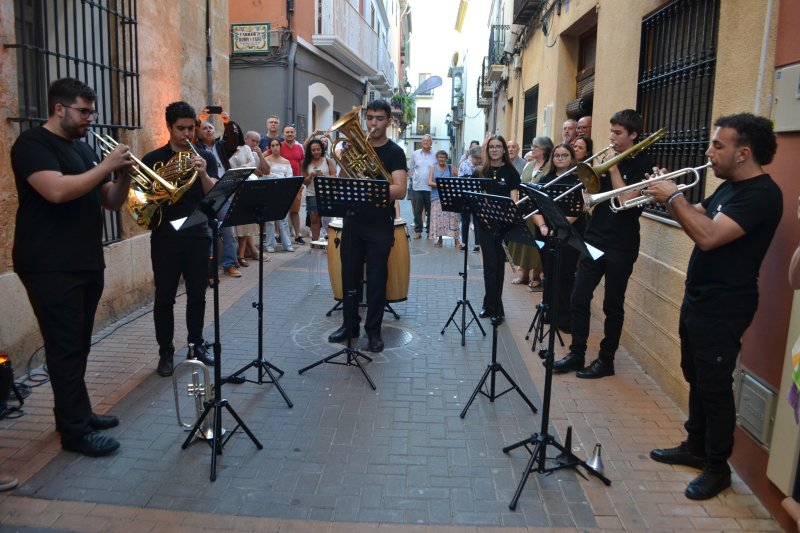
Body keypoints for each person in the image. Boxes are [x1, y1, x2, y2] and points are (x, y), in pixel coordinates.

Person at [644, 113, 781, 500]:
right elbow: (698, 215)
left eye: (718, 145)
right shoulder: (728, 187)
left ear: (744, 153)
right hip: (700, 297)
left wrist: (673, 195)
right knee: (697, 374)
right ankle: (696, 446)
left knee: (716, 386)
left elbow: (707, 237)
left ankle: (718, 468)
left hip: (726, 304)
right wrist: (660, 192)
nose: (709, 152)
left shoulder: (761, 194)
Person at [11, 77, 135, 456]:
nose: (90, 119)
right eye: (83, 111)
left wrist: (124, 174)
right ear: (59, 108)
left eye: (91, 111)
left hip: (83, 259)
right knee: (64, 347)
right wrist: (107, 165)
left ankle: (74, 413)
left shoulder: (82, 150)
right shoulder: (33, 144)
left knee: (77, 344)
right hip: (48, 262)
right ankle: (75, 433)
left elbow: (111, 201)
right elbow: (58, 190)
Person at [552, 109, 656, 378]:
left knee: (612, 305)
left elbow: (623, 201)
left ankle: (606, 360)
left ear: (633, 135)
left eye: (618, 133)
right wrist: (590, 186)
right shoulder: (607, 159)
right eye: (611, 132)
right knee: (579, 296)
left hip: (622, 244)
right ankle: (577, 353)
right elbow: (594, 193)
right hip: (596, 237)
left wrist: (615, 165)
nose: (612, 138)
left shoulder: (645, 162)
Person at [143, 101, 219, 377]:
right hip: (165, 237)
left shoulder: (205, 157)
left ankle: (196, 344)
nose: (187, 134)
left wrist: (202, 172)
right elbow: (145, 199)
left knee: (197, 295)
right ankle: (165, 352)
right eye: (181, 129)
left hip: (198, 234)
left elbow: (214, 196)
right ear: (169, 127)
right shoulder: (153, 159)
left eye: (191, 128)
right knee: (164, 298)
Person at [327, 100, 408, 352]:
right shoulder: (355, 147)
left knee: (375, 279)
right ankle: (349, 325)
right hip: (353, 221)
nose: (374, 123)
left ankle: (373, 331)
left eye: (379, 118)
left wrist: (370, 185)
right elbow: (341, 183)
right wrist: (345, 163)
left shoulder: (395, 152)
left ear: (388, 121)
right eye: (370, 118)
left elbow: (400, 190)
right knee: (348, 276)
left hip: (379, 224)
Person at [530, 143, 586, 332]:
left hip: (568, 233)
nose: (560, 158)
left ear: (572, 158)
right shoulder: (545, 180)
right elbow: (534, 207)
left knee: (566, 274)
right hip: (546, 233)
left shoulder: (577, 180)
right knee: (549, 272)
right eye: (557, 155)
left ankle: (563, 317)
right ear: (552, 159)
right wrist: (543, 225)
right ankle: (548, 311)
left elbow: (577, 209)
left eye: (565, 155)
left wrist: (559, 227)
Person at [473, 135, 521, 323]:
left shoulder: (511, 172)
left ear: (503, 150)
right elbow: (475, 197)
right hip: (484, 223)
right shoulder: (480, 171)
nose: (494, 150)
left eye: (498, 147)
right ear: (488, 149)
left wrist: (508, 217)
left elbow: (514, 199)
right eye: (491, 147)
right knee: (489, 266)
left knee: (499, 267)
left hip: (503, 225)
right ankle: (488, 303)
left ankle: (497, 308)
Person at [198, 120, 240, 277]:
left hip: (223, 193)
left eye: (211, 128)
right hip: (206, 195)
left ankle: (229, 264)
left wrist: (228, 123)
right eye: (204, 128)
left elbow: (235, 140)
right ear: (198, 132)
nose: (208, 130)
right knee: (207, 233)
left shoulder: (221, 146)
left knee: (228, 230)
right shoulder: (197, 149)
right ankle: (209, 269)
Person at [509, 136, 552, 289]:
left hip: (539, 210)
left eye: (535, 146)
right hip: (525, 207)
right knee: (524, 243)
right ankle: (524, 274)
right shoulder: (529, 165)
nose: (532, 149)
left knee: (536, 243)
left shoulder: (549, 166)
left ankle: (536, 276)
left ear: (545, 149)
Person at [264, 138, 295, 252]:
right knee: (270, 221)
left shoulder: (286, 161)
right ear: (270, 148)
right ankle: (270, 245)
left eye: (277, 145)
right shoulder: (266, 160)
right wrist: (280, 177)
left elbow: (290, 177)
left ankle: (287, 244)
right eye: (272, 145)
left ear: (280, 147)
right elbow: (266, 175)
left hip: (283, 192)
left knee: (283, 220)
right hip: (270, 192)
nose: (275, 147)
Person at [302, 138, 335, 241]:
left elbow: (334, 176)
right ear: (310, 151)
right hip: (312, 193)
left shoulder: (328, 161)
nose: (316, 152)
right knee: (314, 219)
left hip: (327, 193)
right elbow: (304, 182)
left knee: (328, 220)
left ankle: (330, 243)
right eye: (313, 150)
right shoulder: (306, 163)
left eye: (318, 149)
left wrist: (326, 176)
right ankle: (315, 242)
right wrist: (311, 175)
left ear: (322, 150)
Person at [427, 150, 460, 248]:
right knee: (438, 220)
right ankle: (439, 240)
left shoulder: (450, 167)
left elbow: (458, 178)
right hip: (436, 197)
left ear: (446, 158)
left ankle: (457, 240)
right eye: (439, 157)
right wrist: (442, 184)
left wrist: (451, 183)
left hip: (449, 197)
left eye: (443, 157)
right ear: (437, 158)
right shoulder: (433, 168)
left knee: (453, 218)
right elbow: (429, 182)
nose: (441, 159)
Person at [280, 124, 306, 245]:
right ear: (283, 134)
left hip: (296, 182)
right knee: (280, 210)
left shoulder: (299, 147)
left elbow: (302, 164)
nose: (289, 134)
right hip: (283, 183)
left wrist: (302, 180)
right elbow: (268, 157)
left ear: (294, 133)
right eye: (287, 132)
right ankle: (279, 235)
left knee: (295, 211)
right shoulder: (278, 146)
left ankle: (297, 235)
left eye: (291, 132)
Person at [409, 134, 436, 239]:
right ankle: (418, 231)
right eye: (424, 140)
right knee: (417, 210)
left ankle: (430, 232)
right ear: (421, 142)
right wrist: (413, 179)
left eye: (428, 140)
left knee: (431, 211)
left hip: (430, 188)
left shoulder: (435, 154)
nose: (425, 142)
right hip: (417, 186)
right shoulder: (415, 154)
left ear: (431, 142)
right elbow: (411, 169)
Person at [458, 146, 482, 252]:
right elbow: (460, 180)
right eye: (477, 158)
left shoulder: (482, 165)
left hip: (478, 197)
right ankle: (464, 244)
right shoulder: (464, 165)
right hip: (466, 197)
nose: (479, 160)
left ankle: (477, 245)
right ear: (472, 156)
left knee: (477, 222)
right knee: (465, 221)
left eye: (480, 158)